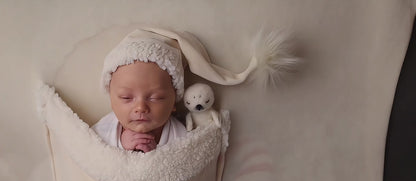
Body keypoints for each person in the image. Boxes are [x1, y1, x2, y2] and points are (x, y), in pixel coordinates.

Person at [93, 26, 297, 152]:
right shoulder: (107, 128)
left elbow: (180, 164)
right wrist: (120, 142)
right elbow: (93, 152)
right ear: (111, 99)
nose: (140, 107)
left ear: (174, 102)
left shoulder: (181, 135)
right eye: (126, 98)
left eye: (155, 98)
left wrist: (156, 153)